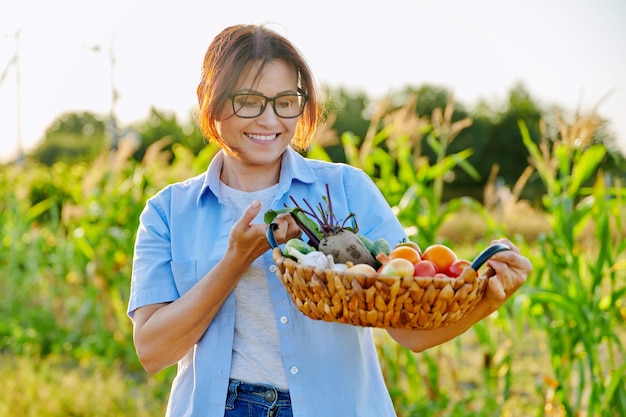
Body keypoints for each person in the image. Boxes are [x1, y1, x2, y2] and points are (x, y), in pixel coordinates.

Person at [127, 24, 533, 417]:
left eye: (286, 102)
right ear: (206, 98)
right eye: (248, 101)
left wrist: (487, 300)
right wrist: (235, 261)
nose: (270, 120)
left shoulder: (344, 190)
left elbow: (410, 331)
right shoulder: (168, 212)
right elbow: (152, 351)